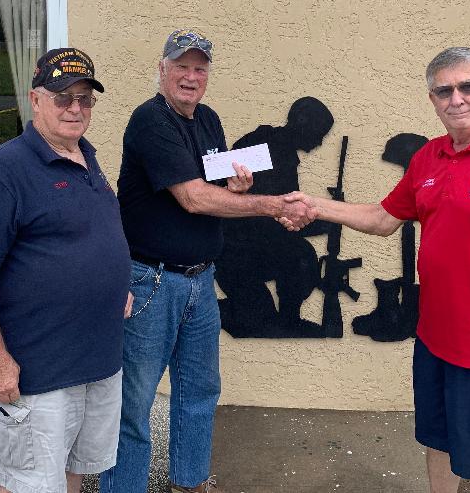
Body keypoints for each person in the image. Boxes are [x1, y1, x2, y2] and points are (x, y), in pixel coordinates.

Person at [284, 47, 470, 493]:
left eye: (468, 87)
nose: (457, 99)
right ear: (432, 99)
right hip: (437, 341)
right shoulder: (429, 158)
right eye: (444, 91)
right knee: (439, 444)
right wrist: (314, 205)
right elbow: (384, 219)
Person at [100, 28, 314, 493]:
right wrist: (274, 205)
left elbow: (212, 185)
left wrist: (237, 188)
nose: (190, 76)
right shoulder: (150, 121)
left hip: (201, 280)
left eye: (199, 68)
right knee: (133, 403)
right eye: (181, 66)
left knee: (199, 391)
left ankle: (190, 481)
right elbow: (194, 199)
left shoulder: (208, 119)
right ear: (162, 69)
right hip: (150, 281)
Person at [0, 47, 132, 493]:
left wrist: (114, 286)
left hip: (96, 363)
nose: (75, 107)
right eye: (62, 96)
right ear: (35, 99)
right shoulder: (5, 171)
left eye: (85, 98)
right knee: (27, 482)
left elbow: (87, 235)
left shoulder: (86, 157)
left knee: (72, 473)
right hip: (36, 372)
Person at [217, 96, 337, 337]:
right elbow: (271, 214)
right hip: (237, 255)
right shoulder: (266, 148)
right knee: (259, 319)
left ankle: (289, 318)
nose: (320, 141)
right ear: (302, 123)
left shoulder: (280, 150)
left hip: (255, 248)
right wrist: (321, 224)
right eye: (319, 132)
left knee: (298, 256)